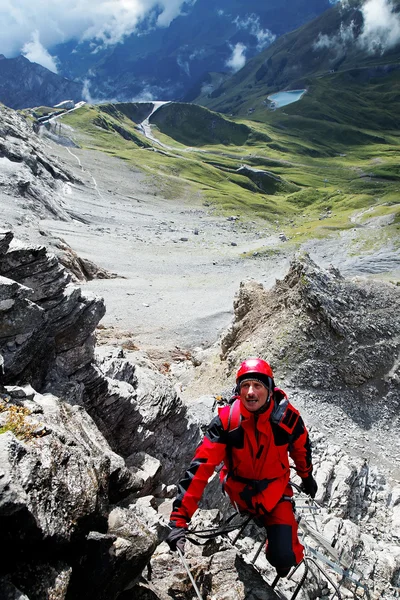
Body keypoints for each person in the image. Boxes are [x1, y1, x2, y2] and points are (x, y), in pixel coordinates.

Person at [166, 357, 317, 577]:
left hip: (276, 495)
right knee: (277, 542)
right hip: (241, 495)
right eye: (245, 385)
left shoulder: (286, 419)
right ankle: (265, 521)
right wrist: (179, 520)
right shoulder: (227, 423)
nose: (250, 392)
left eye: (257, 385)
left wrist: (306, 475)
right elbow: (201, 468)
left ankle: (276, 539)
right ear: (238, 390)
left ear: (270, 389)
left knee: (284, 561)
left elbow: (301, 448)